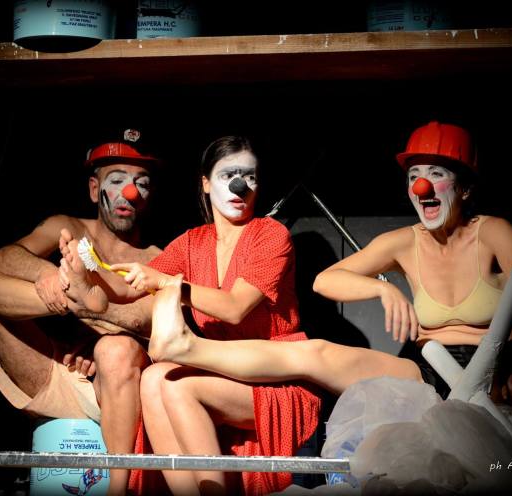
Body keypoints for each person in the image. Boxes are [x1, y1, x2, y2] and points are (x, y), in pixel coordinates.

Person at [140, 121, 512, 405]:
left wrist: (509, 357)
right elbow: (325, 281)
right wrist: (381, 288)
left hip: (489, 370)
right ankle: (187, 347)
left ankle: (187, 347)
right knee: (315, 352)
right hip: (427, 367)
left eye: (436, 174)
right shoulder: (404, 240)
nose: (421, 186)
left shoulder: (493, 232)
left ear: (465, 187)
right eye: (414, 176)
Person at [61, 136, 322, 496]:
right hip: (222, 373)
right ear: (205, 183)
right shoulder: (192, 242)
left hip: (276, 378)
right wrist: (86, 271)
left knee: (178, 385)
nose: (240, 186)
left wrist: (170, 284)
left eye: (249, 176)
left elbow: (235, 307)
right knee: (155, 378)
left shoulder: (270, 235)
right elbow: (125, 289)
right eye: (228, 175)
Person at [0, 127, 162, 496]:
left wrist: (95, 325)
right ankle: (74, 296)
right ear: (94, 188)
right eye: (117, 180)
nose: (130, 192)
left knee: (116, 349)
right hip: (58, 373)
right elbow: (4, 258)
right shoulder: (68, 228)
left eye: (141, 183)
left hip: (115, 386)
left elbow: (150, 321)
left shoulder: (156, 258)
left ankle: (118, 491)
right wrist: (54, 280)